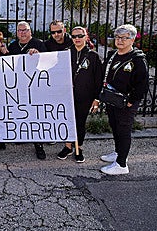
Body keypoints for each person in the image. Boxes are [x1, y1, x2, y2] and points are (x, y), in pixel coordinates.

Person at [99, 24, 149, 175]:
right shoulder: (112, 55)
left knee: (123, 130)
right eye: (117, 37)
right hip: (112, 99)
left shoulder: (138, 60)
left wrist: (131, 101)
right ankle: (118, 152)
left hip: (127, 101)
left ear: (132, 40)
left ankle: (121, 165)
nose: (120, 40)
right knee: (114, 126)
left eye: (124, 38)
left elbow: (143, 84)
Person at [56, 26, 103, 163]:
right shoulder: (65, 53)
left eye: (80, 36)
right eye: (74, 36)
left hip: (85, 96)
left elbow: (98, 79)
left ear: (86, 37)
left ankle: (79, 147)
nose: (77, 39)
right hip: (67, 95)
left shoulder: (93, 56)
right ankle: (68, 146)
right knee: (67, 121)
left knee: (80, 122)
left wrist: (96, 99)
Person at [7, 21, 48, 159]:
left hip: (35, 86)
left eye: (25, 30)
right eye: (20, 30)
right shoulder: (12, 46)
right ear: (17, 33)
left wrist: (38, 55)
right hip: (19, 85)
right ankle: (22, 135)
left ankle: (38, 144)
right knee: (21, 111)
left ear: (30, 31)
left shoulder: (39, 44)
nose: (22, 33)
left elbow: (47, 63)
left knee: (35, 115)